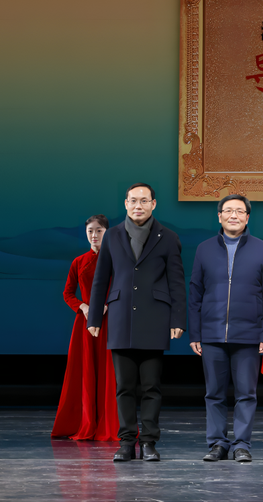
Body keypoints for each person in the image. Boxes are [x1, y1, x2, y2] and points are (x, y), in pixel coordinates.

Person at [87, 183, 186, 462]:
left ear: (153, 204)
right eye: (133, 201)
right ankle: (127, 443)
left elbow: (177, 282)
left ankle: (149, 442)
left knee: (151, 387)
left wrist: (178, 318)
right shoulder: (112, 235)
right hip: (120, 317)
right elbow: (101, 279)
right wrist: (94, 317)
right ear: (125, 204)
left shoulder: (168, 237)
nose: (138, 206)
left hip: (155, 317)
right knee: (124, 387)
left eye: (144, 201)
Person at [188, 194, 263, 463]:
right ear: (219, 216)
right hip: (211, 333)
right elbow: (195, 293)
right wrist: (195, 332)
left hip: (249, 334)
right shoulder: (204, 249)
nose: (233, 215)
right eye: (228, 211)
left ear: (247, 217)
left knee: (246, 394)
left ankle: (241, 444)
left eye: (239, 211)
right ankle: (217, 443)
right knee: (214, 394)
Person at [52, 214, 118, 441]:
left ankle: (109, 424)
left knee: (110, 372)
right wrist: (83, 306)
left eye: (99, 230)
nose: (94, 235)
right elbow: (67, 293)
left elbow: (124, 289)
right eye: (90, 231)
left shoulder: (117, 260)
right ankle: (85, 422)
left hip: (110, 322)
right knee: (84, 371)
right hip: (85, 323)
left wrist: (108, 305)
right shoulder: (78, 261)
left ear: (107, 233)